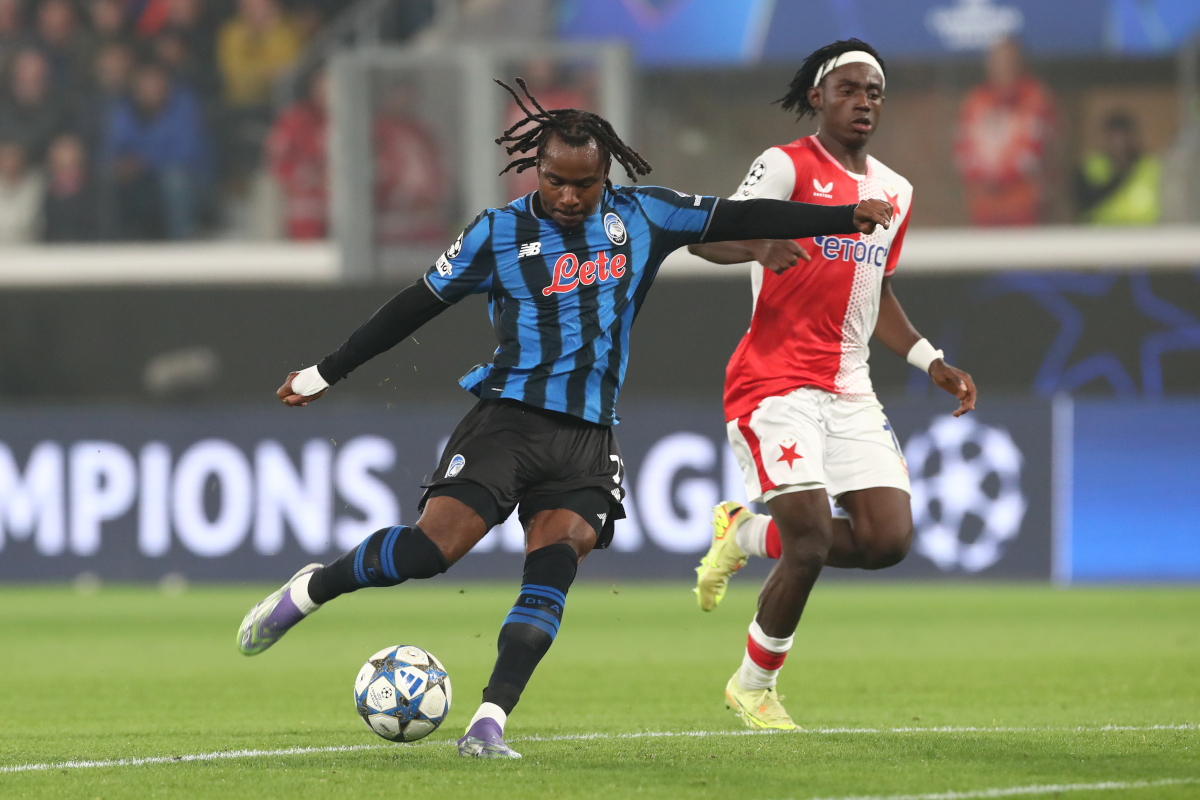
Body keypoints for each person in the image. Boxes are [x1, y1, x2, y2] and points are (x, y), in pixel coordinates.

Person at [236, 77, 894, 759]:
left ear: (605, 173)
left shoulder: (645, 216)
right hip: (507, 422)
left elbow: (737, 216)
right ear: (537, 169)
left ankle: (489, 723)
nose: (571, 197)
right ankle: (312, 587)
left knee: (554, 567)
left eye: (584, 183)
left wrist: (844, 217)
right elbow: (412, 307)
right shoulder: (497, 233)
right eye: (557, 181)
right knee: (431, 552)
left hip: (586, 438)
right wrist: (324, 371)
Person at [687, 39, 977, 731]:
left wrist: (930, 359)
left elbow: (875, 291)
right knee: (812, 540)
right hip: (774, 386)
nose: (865, 100)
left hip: (850, 390)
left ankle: (744, 533)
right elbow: (705, 237)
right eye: (850, 88)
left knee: (887, 541)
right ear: (817, 98)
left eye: (875, 90)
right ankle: (754, 686)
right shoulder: (784, 167)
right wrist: (759, 244)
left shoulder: (894, 192)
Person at [954, 37, 1056, 226]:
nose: (1003, 68)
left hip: (1024, 206)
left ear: (1020, 64)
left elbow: (1035, 150)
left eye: (1009, 62)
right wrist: (981, 177)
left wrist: (1000, 178)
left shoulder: (1035, 98)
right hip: (984, 206)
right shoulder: (976, 101)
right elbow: (963, 149)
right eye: (998, 62)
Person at [103, 60, 210, 239]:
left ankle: (181, 247)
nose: (150, 89)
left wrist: (144, 162)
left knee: (175, 181)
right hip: (140, 182)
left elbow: (187, 152)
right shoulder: (122, 110)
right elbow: (112, 149)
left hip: (190, 181)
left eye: (155, 83)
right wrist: (122, 165)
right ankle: (115, 246)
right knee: (108, 178)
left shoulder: (184, 106)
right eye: (144, 84)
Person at [265, 68, 327, 239]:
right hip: (307, 207)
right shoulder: (295, 120)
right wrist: (311, 176)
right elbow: (279, 164)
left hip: (348, 208)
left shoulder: (356, 121)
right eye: (324, 84)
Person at [1074, 111, 1161, 226]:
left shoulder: (1151, 167)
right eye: (1114, 138)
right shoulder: (1092, 166)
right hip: (1101, 237)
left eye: (1124, 137)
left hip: (1144, 236)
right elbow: (1083, 202)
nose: (1119, 144)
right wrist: (1120, 175)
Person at [0, 48, 65, 161]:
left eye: (37, 77)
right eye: (25, 75)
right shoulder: (3, 105)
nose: (31, 81)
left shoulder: (60, 109)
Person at [43, 133, 97, 241]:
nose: (67, 174)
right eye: (61, 167)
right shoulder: (44, 197)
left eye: (72, 166)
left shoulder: (98, 196)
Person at [0, 139, 43, 242]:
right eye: (6, 156)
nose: (10, 162)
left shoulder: (36, 186)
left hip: (29, 250)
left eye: (14, 157)